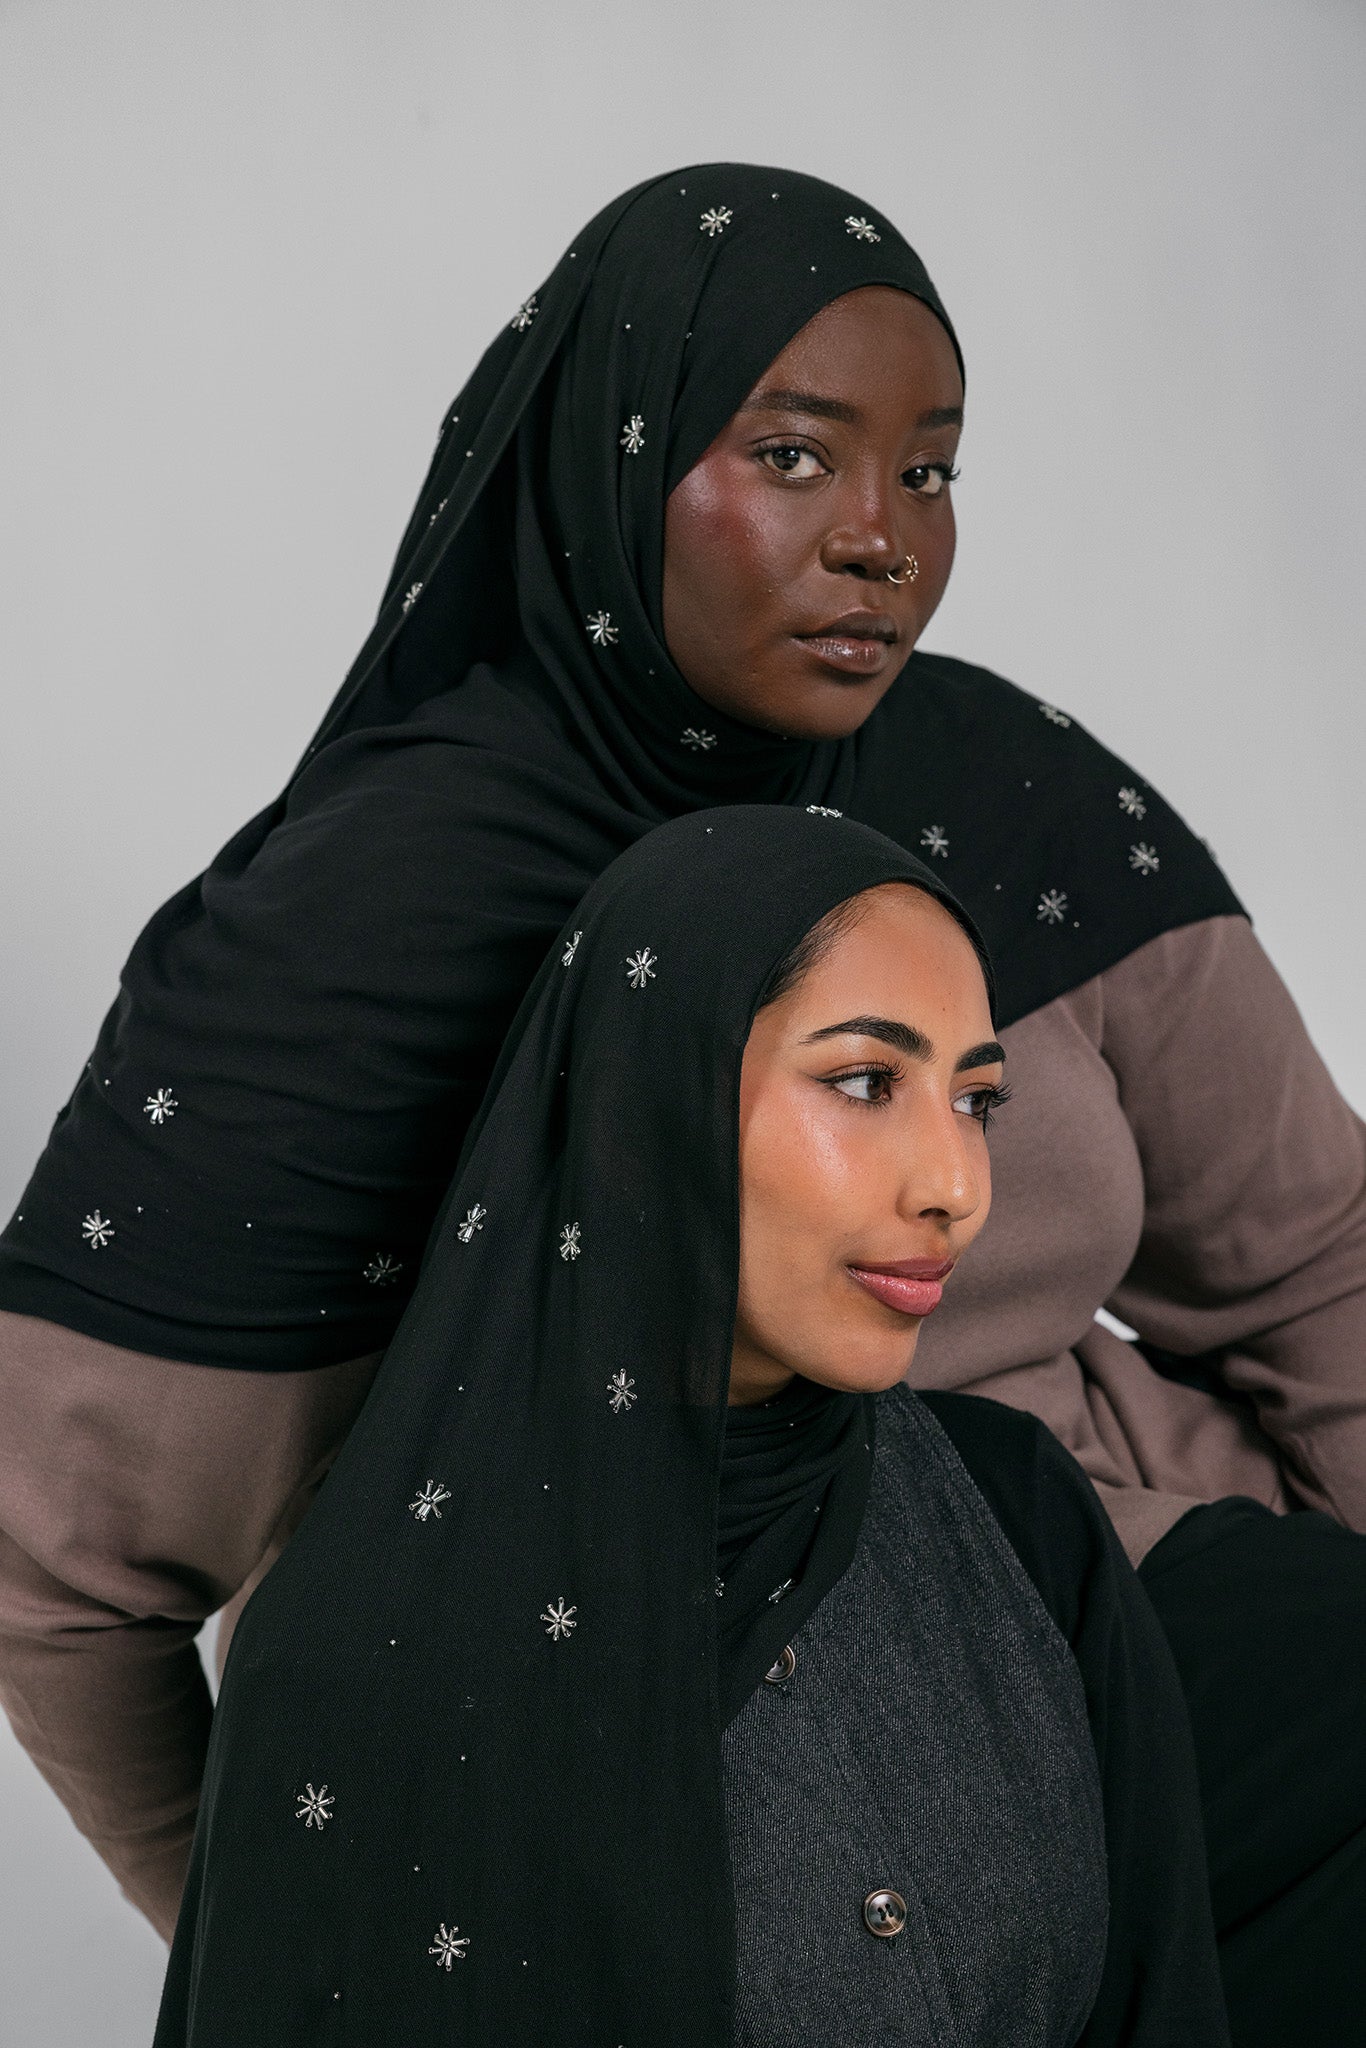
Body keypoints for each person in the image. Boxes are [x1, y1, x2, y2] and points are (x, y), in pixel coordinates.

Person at [0, 163, 1360, 2039]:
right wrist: (335, 1926)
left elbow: (1315, 1260)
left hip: (1115, 1593)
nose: (880, 538)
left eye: (929, 471)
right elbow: (62, 1582)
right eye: (793, 457)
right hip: (622, 1714)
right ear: (612, 464)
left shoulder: (1007, 797)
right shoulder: (360, 940)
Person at [153, 805, 1230, 2047]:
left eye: (975, 1098)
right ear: (639, 1100)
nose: (956, 1185)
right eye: (865, 1081)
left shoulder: (1020, 1510)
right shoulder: (363, 1645)